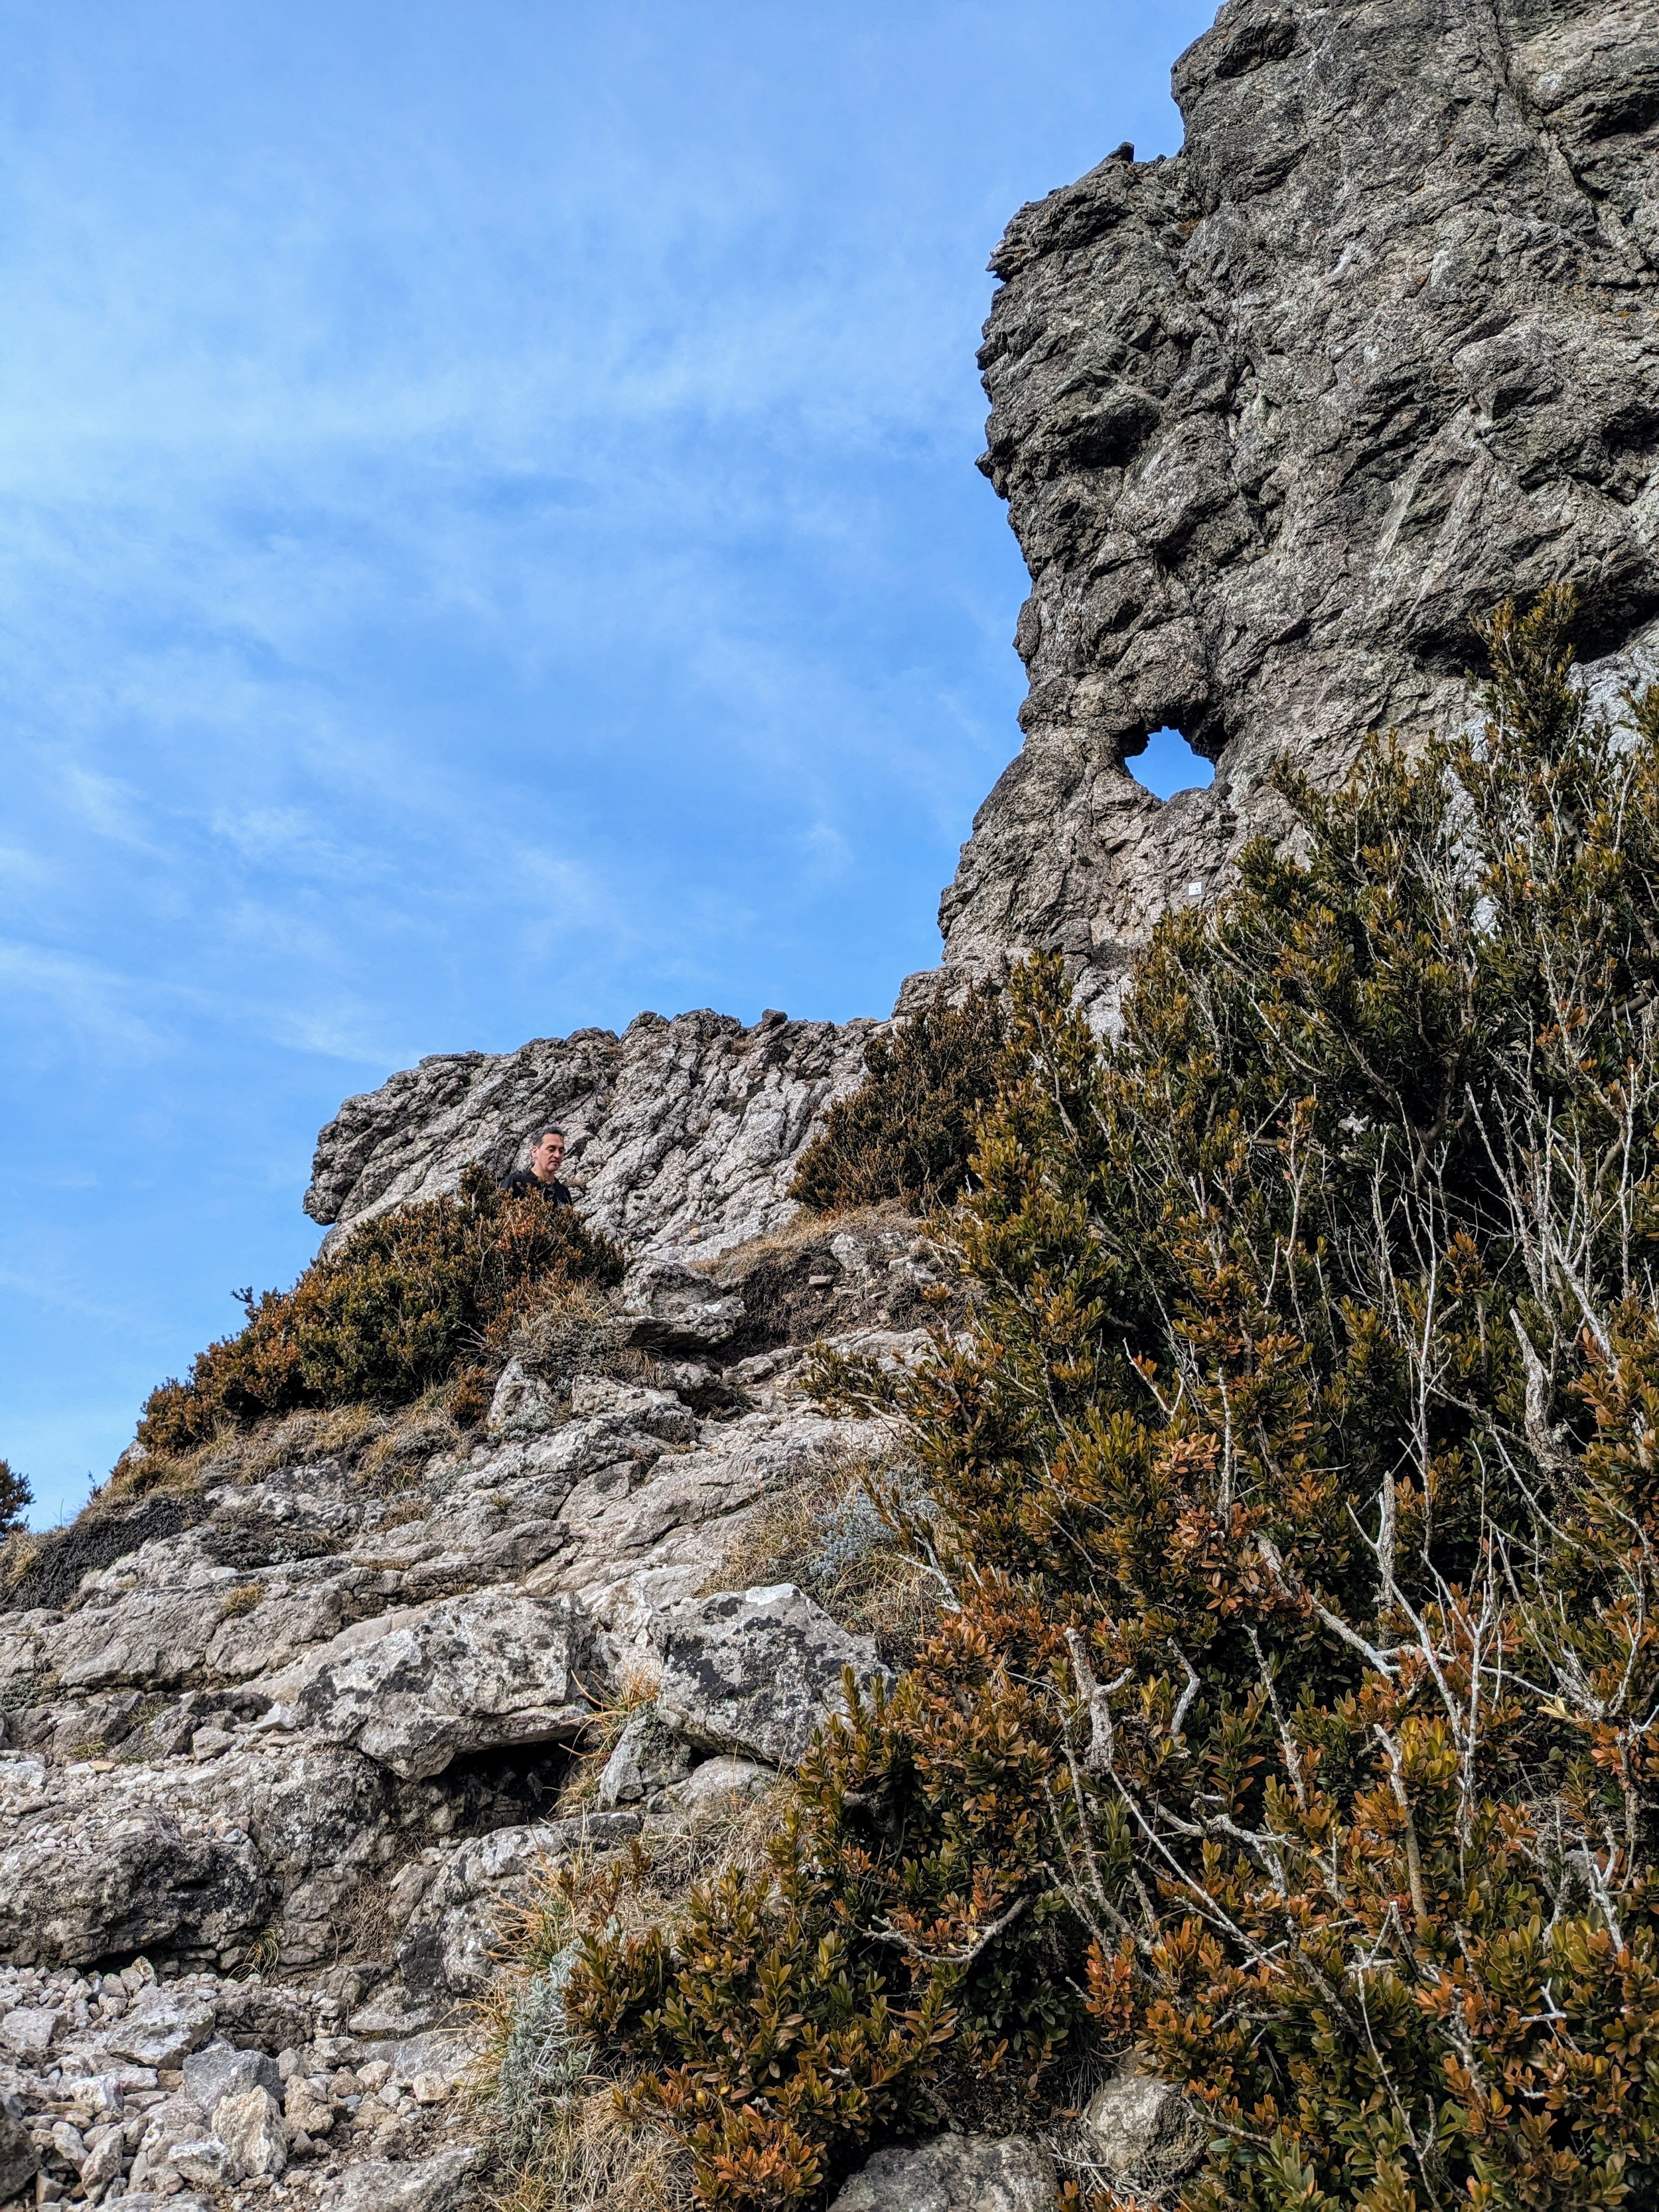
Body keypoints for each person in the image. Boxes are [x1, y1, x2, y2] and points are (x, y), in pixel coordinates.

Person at [500, 1128, 573, 1207]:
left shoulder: (563, 1192)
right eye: (551, 1149)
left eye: (561, 1151)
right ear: (535, 1151)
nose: (557, 1155)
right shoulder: (515, 1182)